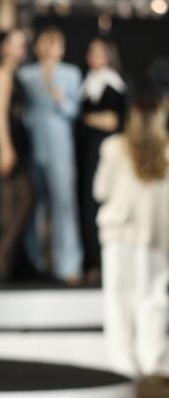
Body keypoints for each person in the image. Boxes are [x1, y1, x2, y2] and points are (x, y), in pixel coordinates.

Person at [93, 92, 169, 378]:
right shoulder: (165, 152)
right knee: (153, 299)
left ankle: (122, 363)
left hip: (119, 235)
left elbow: (100, 190)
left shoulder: (113, 148)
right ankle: (153, 360)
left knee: (118, 300)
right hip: (155, 238)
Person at [18, 26, 84, 284]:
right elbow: (23, 110)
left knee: (64, 204)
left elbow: (74, 111)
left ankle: (68, 264)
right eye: (46, 42)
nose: (50, 47)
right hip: (34, 145)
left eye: (56, 43)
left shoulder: (71, 73)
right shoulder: (26, 74)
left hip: (60, 146)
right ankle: (34, 262)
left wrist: (61, 101)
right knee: (34, 206)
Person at [77, 38, 127, 283]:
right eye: (91, 51)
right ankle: (91, 261)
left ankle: (110, 261)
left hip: (107, 155)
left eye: (100, 52)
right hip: (85, 155)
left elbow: (115, 122)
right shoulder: (84, 85)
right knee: (87, 205)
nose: (94, 56)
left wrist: (89, 120)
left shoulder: (115, 85)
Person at [0, 28, 34, 280]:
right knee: (17, 201)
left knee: (14, 202)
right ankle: (0, 258)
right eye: (15, 43)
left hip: (19, 143)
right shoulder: (1, 74)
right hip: (10, 143)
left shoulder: (15, 73)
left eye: (22, 44)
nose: (20, 48)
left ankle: (5, 260)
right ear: (2, 47)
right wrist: (5, 148)